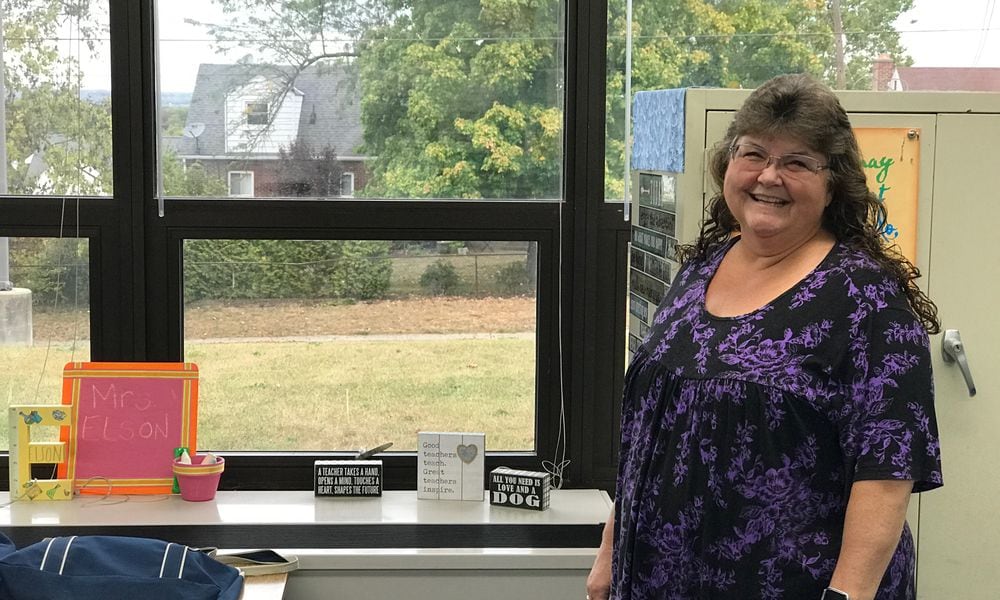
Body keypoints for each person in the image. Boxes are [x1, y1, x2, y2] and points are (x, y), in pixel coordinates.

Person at [587, 73, 942, 600]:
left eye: (797, 162)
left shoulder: (866, 298)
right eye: (753, 154)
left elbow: (887, 476)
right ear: (728, 163)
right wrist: (609, 555)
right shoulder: (701, 269)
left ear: (833, 182)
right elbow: (651, 434)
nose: (769, 176)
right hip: (658, 580)